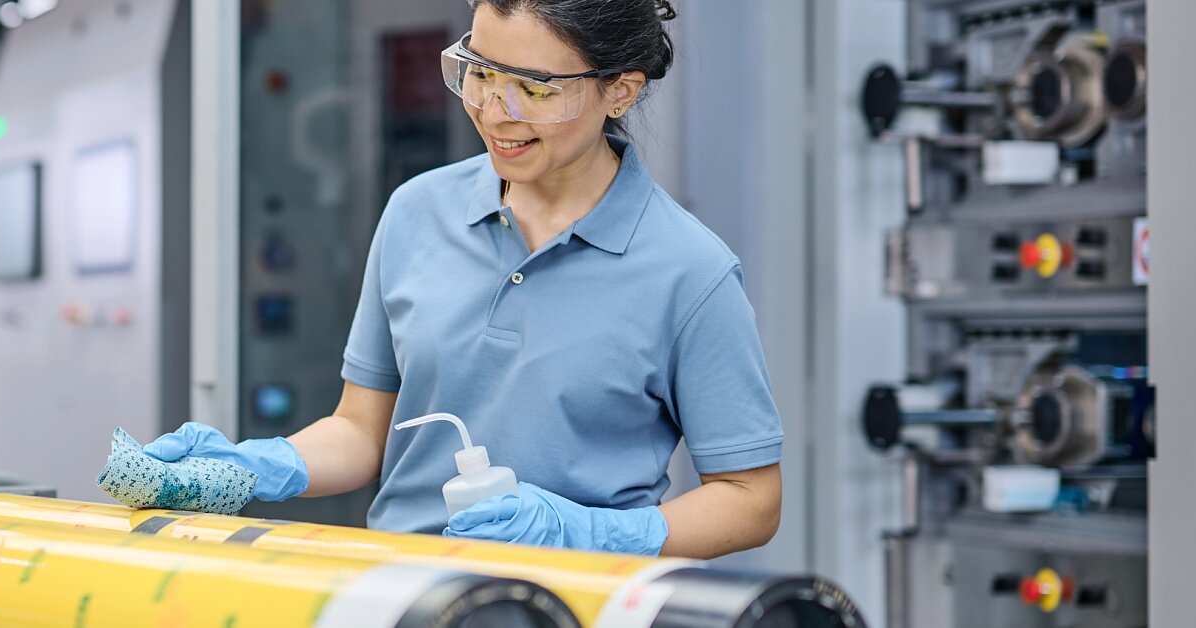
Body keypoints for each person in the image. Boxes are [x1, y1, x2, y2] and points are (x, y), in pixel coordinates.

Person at [131, 0, 783, 559]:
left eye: (535, 87)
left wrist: (596, 534)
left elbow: (752, 501)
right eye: (479, 72)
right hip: (402, 596)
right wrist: (257, 467)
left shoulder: (689, 271)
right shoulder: (417, 212)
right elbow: (363, 432)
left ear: (621, 89)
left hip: (573, 606)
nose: (495, 111)